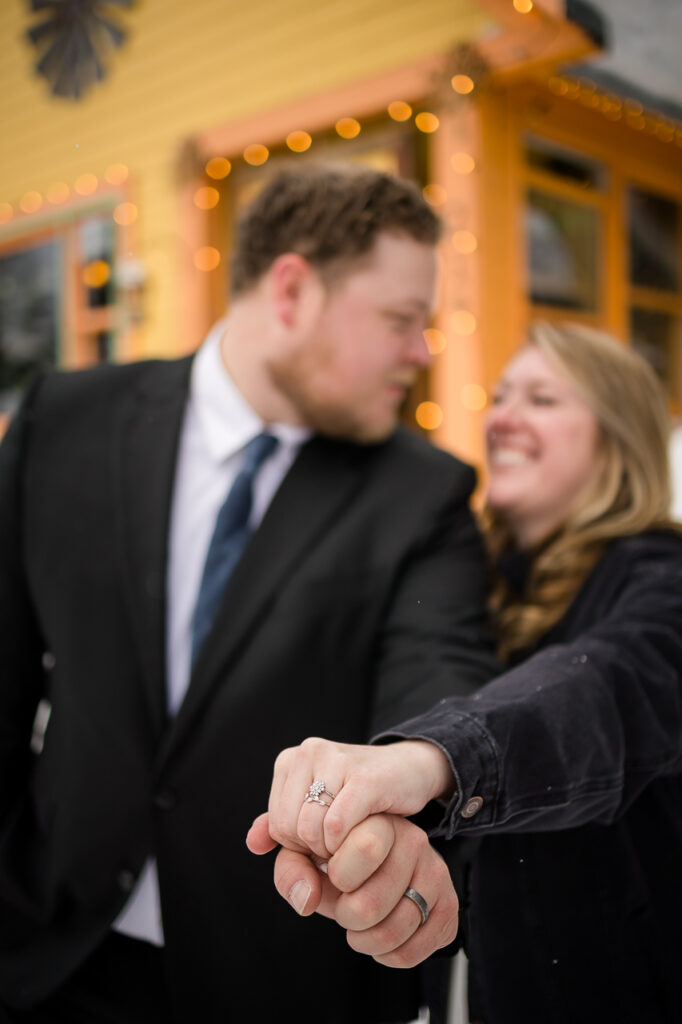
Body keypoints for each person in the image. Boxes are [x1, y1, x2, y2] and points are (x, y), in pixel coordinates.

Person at [0, 163, 499, 1024]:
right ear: (293, 290)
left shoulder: (426, 493)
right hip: (50, 956)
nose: (423, 353)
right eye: (400, 320)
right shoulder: (62, 421)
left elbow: (437, 678)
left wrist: (412, 832)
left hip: (280, 979)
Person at [250, 322, 682, 1024]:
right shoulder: (468, 584)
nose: (502, 417)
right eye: (502, 395)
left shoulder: (661, 579)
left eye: (541, 399)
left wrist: (433, 759)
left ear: (618, 437)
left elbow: (599, 689)